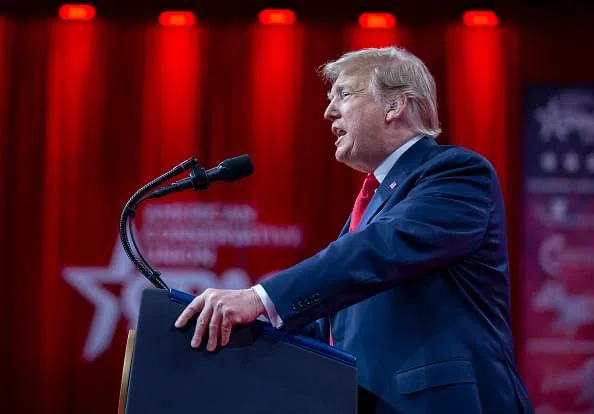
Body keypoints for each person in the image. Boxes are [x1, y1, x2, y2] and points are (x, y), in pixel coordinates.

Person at [174, 46, 534, 413]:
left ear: (394, 106)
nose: (328, 112)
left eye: (344, 95)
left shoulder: (457, 173)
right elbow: (339, 324)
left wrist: (260, 298)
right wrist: (247, 330)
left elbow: (381, 249)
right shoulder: (376, 200)